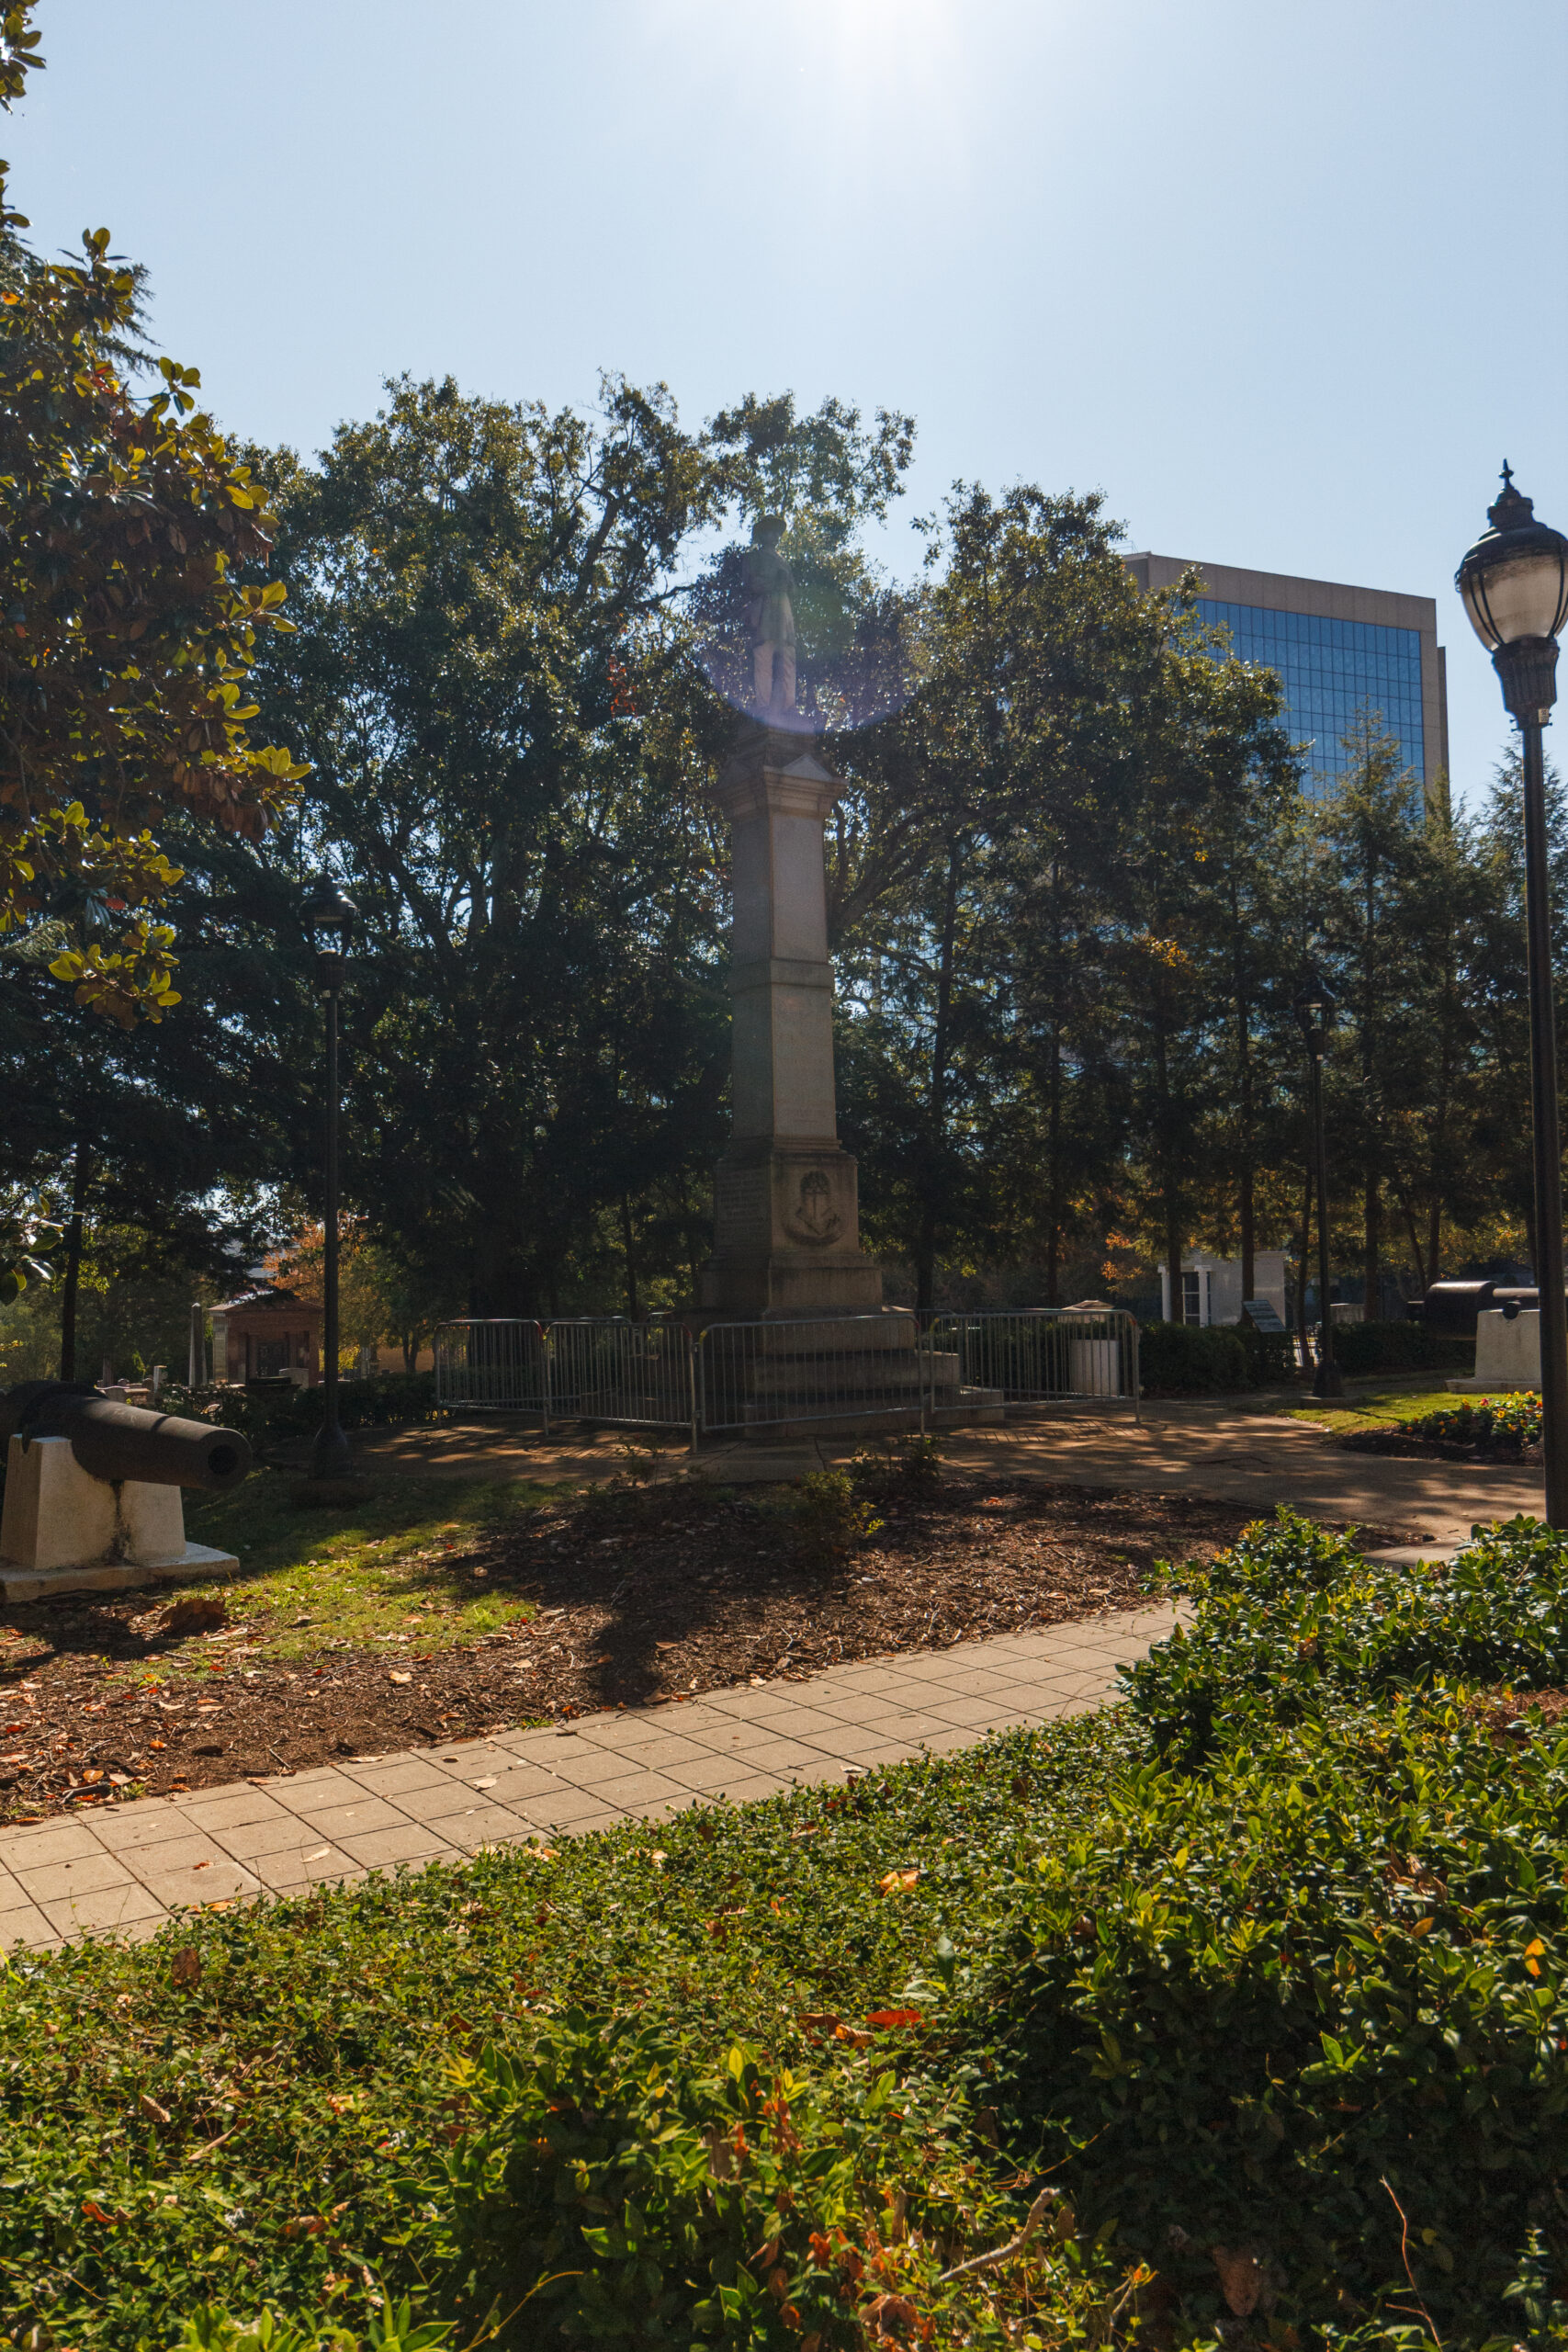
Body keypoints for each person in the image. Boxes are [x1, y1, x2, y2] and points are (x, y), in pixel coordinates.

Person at [743, 514, 797, 716]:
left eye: (777, 532)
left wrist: (786, 584)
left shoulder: (784, 561)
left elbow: (793, 589)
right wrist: (775, 583)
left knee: (788, 658)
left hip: (784, 612)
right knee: (763, 657)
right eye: (770, 531)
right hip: (764, 611)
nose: (774, 536)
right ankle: (763, 705)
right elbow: (751, 584)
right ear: (761, 535)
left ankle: (789, 706)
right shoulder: (753, 558)